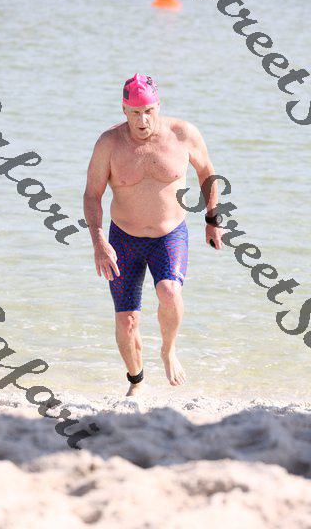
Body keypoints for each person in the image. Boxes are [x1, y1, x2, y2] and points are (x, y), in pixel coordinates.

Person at [84, 73, 224, 396]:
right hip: (124, 239)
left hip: (168, 235)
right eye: (135, 113)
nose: (143, 120)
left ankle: (168, 349)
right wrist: (99, 241)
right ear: (124, 110)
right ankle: (136, 382)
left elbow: (206, 171)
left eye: (148, 111)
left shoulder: (183, 135)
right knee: (126, 322)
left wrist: (212, 218)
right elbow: (92, 195)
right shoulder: (109, 144)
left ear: (158, 106)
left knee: (170, 292)